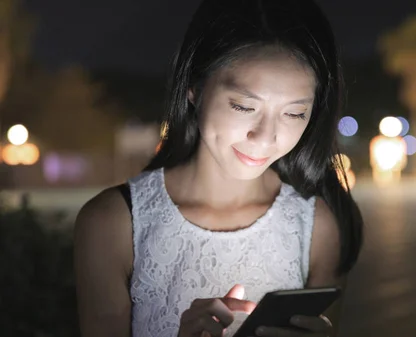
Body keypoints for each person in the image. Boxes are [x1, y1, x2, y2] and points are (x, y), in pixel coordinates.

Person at [74, 0, 364, 336]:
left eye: (294, 113)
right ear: (194, 87)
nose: (265, 137)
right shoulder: (113, 224)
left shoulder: (318, 226)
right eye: (243, 105)